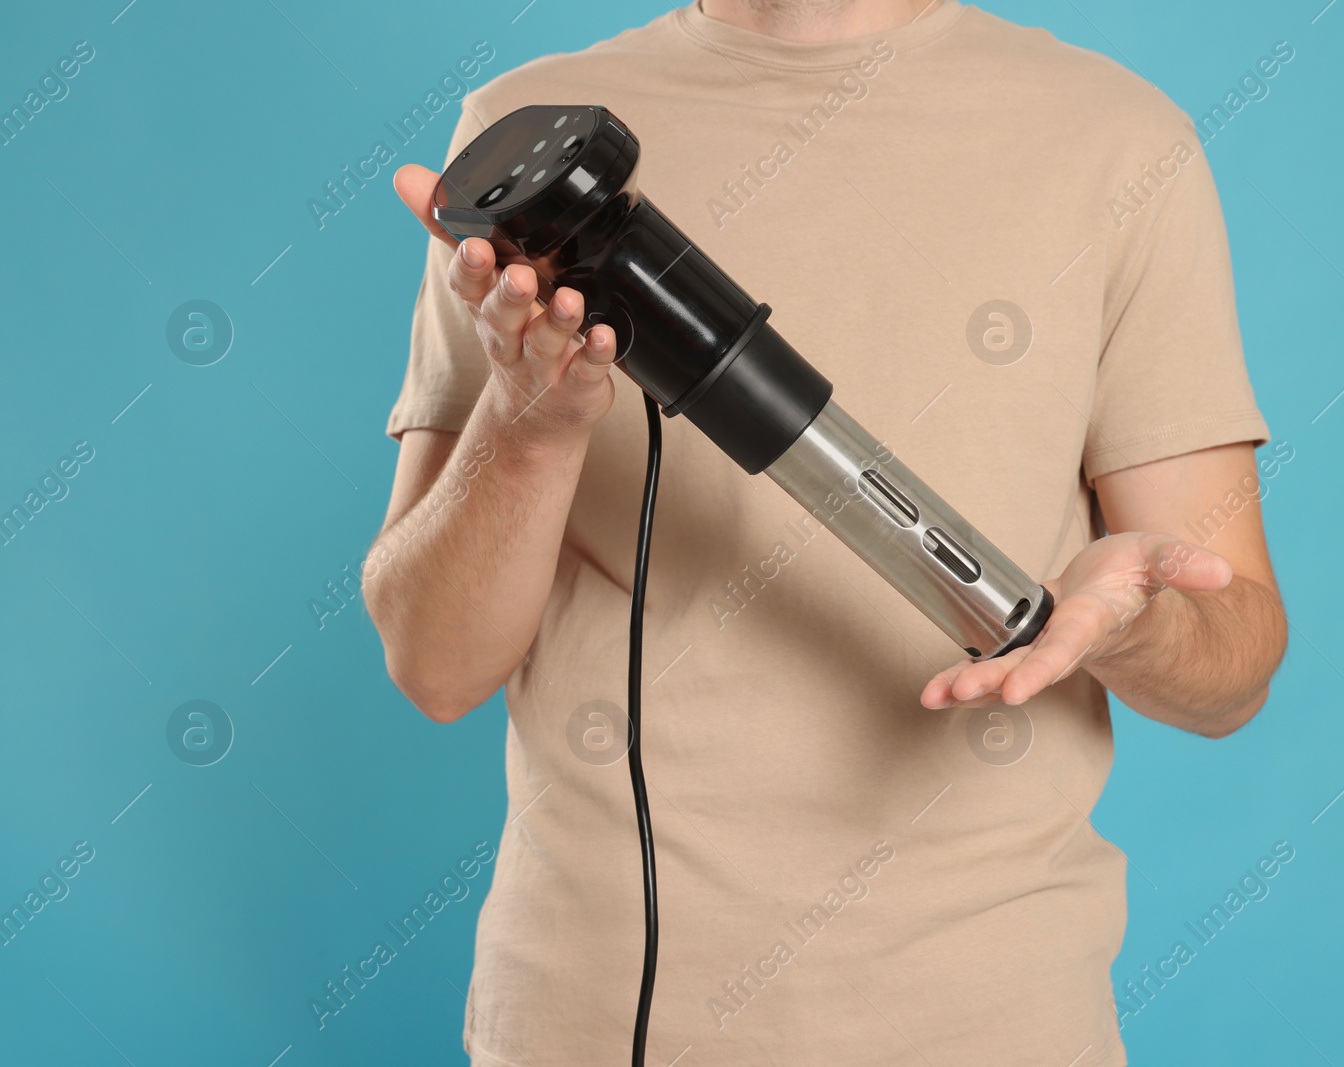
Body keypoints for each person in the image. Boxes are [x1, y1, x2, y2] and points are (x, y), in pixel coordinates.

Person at [366, 1, 1288, 1063]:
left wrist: (1130, 629)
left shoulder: (1120, 142)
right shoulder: (516, 133)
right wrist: (527, 431)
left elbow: (1235, 670)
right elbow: (433, 664)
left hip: (988, 1022)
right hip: (587, 1021)